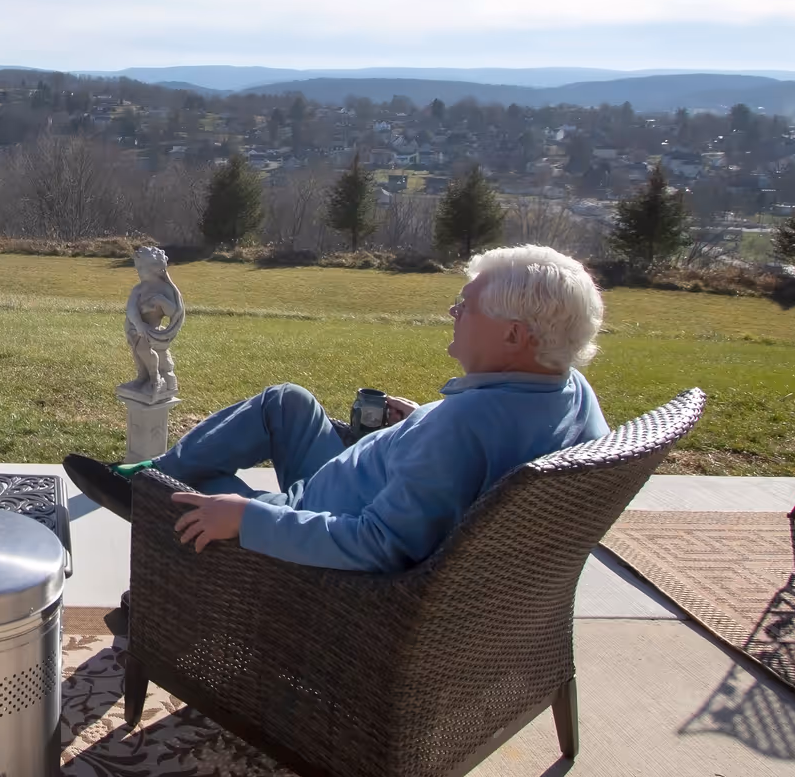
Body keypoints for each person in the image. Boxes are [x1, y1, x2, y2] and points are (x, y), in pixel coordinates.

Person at [65, 245, 609, 575]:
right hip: (354, 484)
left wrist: (247, 518)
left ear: (514, 335)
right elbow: (481, 452)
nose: (453, 311)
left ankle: (150, 503)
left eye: (466, 306)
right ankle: (150, 476)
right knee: (287, 401)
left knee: (193, 488)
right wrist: (419, 423)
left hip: (315, 520)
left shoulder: (461, 430)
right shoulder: (570, 391)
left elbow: (380, 546)